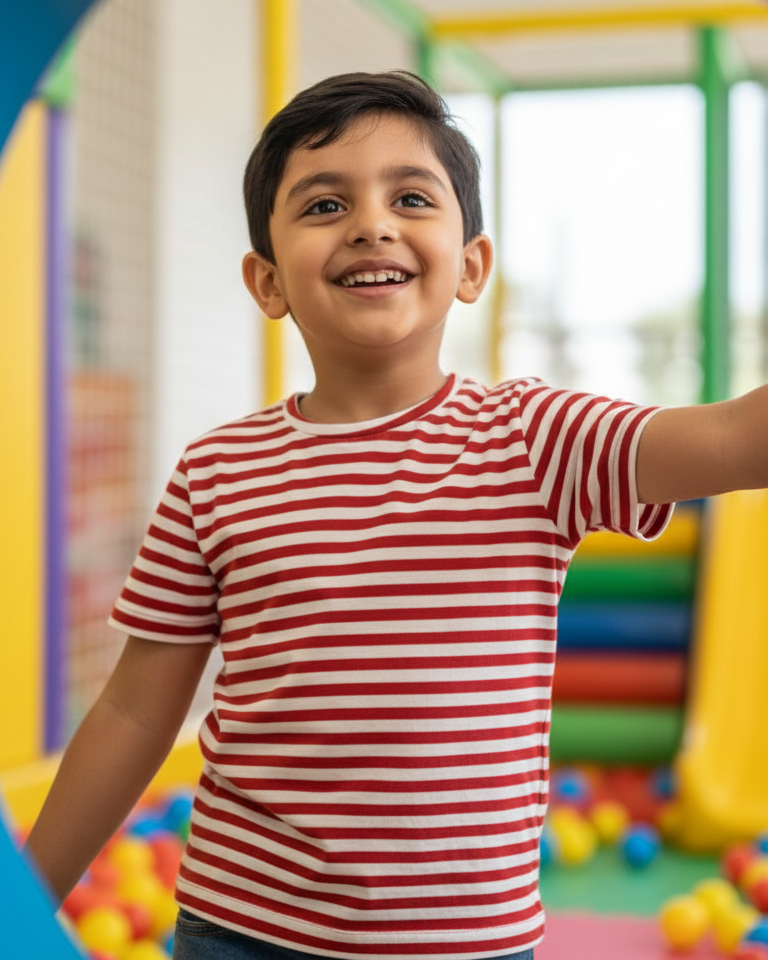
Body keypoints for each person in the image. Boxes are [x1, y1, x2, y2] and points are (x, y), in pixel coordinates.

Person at [25, 70, 768, 960]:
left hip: (462, 942)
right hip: (241, 927)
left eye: (411, 196)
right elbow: (135, 713)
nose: (371, 223)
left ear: (472, 264)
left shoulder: (535, 439)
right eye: (324, 205)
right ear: (267, 281)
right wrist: (26, 899)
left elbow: (733, 438)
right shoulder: (218, 470)